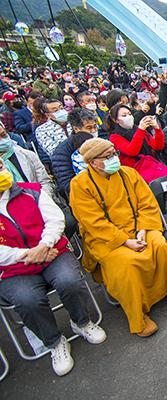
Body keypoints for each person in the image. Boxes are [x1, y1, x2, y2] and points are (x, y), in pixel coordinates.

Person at [70, 138, 167, 338]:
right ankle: (138, 317)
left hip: (140, 228)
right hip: (107, 239)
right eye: (107, 157)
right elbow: (92, 222)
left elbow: (148, 203)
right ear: (93, 162)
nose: (114, 159)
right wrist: (124, 241)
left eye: (114, 154)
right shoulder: (80, 185)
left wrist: (143, 229)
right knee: (126, 262)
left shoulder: (129, 173)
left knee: (160, 245)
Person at [0, 158, 106, 376]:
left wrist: (44, 245)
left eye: (0, 166)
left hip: (52, 252)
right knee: (26, 300)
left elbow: (55, 220)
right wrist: (28, 254)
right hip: (14, 267)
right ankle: (55, 342)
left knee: (70, 281)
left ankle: (82, 322)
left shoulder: (31, 192)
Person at [52, 108, 96, 197]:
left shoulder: (101, 142)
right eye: (89, 128)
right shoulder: (63, 151)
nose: (94, 131)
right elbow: (67, 183)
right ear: (76, 129)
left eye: (95, 126)